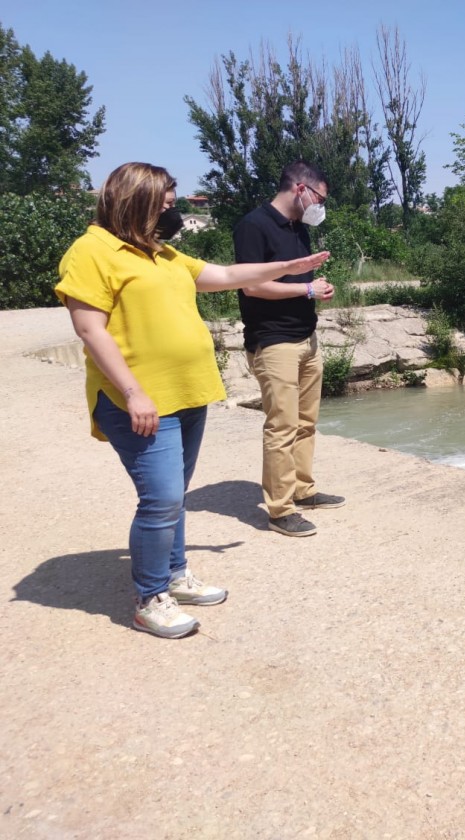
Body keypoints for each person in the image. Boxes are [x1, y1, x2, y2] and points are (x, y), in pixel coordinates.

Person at [55, 162, 330, 639]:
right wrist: (133, 391)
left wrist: (289, 267)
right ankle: (149, 597)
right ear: (135, 201)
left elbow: (223, 274)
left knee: (174, 497)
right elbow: (88, 327)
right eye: (165, 204)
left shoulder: (159, 253)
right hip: (138, 400)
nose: (172, 211)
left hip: (186, 392)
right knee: (160, 500)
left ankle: (176, 575)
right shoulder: (92, 251)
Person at [232, 161, 344, 538]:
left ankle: (303, 489)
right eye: (320, 198)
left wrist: (316, 288)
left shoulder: (299, 229)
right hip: (272, 340)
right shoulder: (253, 225)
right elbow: (251, 286)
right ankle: (280, 510)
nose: (321, 207)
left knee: (306, 423)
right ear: (300, 189)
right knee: (281, 426)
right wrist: (305, 289)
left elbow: (298, 279)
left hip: (306, 338)